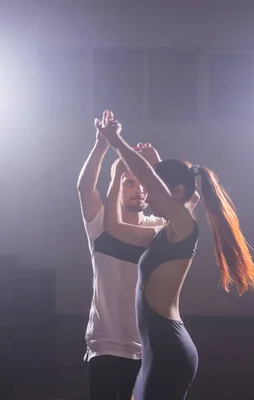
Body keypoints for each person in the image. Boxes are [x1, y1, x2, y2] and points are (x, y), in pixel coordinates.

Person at [97, 116, 254, 400]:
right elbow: (112, 227)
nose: (145, 196)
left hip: (168, 353)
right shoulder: (162, 232)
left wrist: (117, 142)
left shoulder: (185, 228)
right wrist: (115, 178)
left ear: (178, 192)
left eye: (152, 191)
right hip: (154, 352)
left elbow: (154, 181)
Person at [77, 110, 167, 400]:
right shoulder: (100, 224)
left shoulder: (157, 228)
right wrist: (102, 144)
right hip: (104, 346)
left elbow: (172, 205)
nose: (138, 189)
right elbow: (84, 188)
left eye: (141, 183)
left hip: (145, 348)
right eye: (129, 182)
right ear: (116, 184)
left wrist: (155, 166)